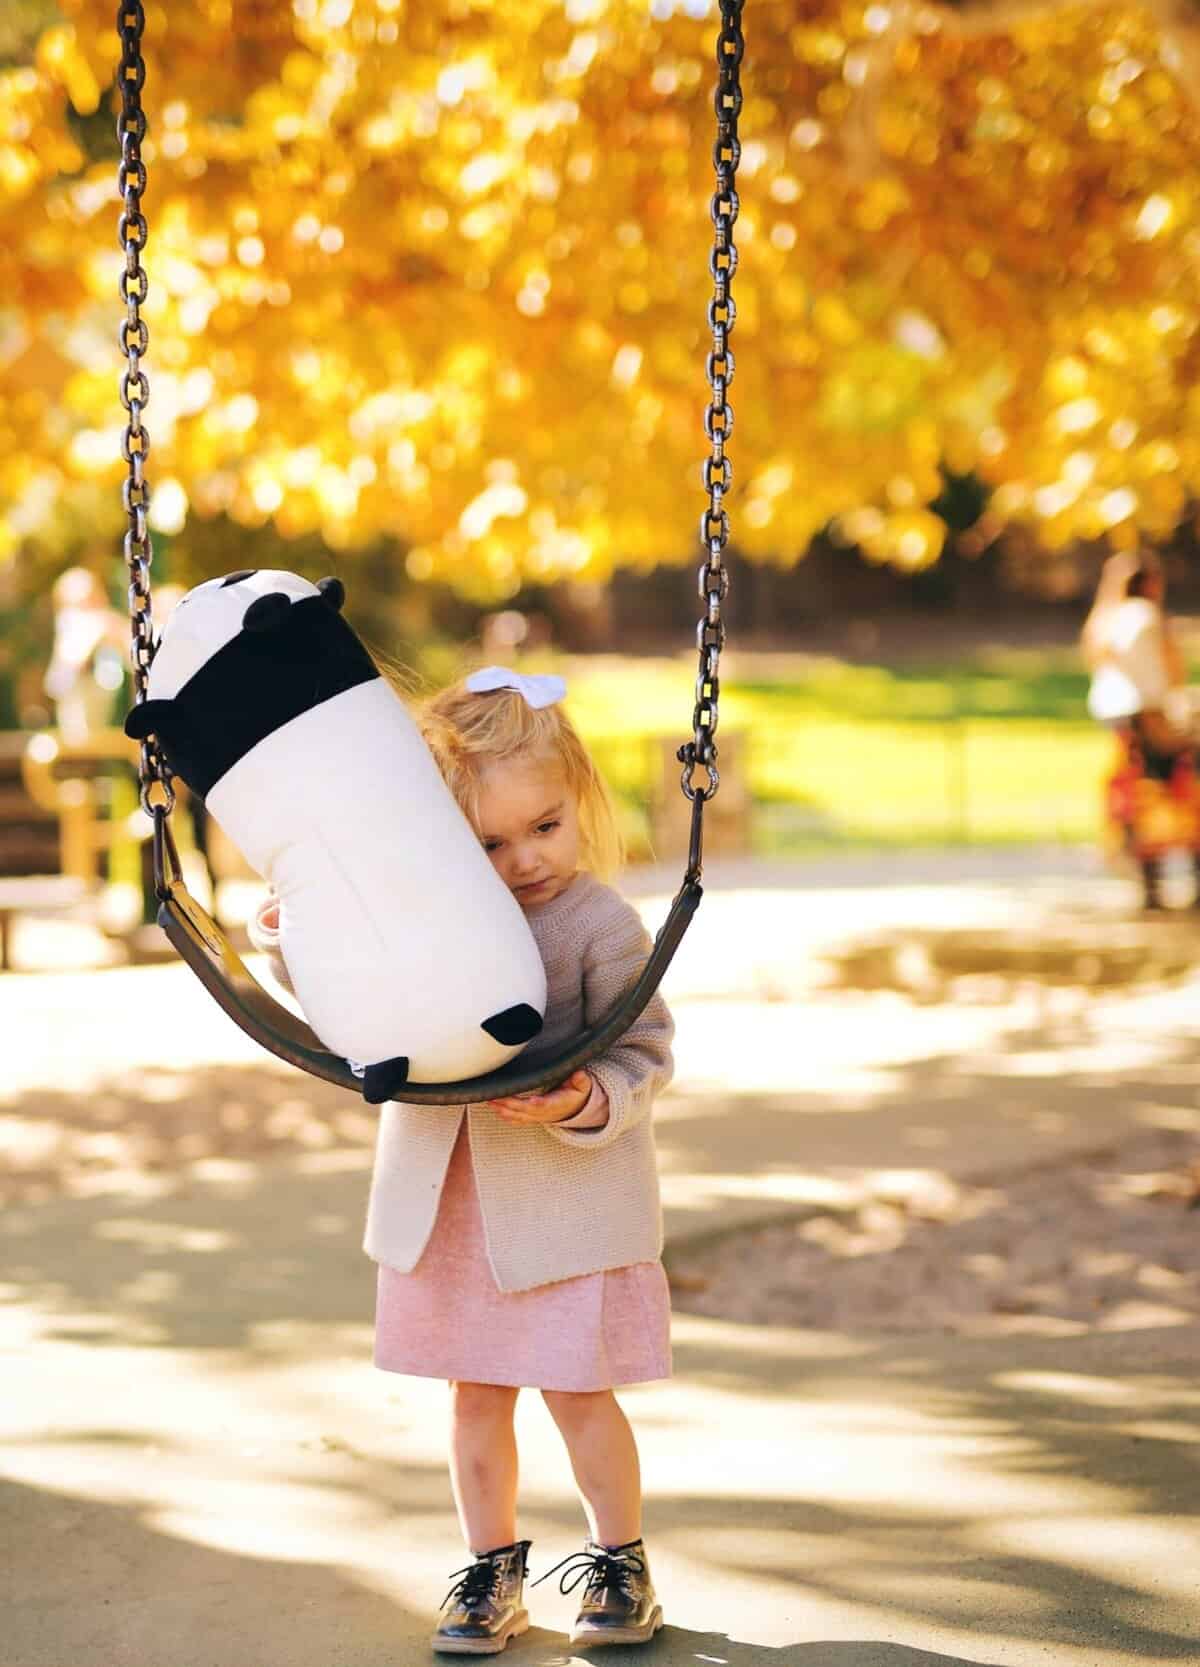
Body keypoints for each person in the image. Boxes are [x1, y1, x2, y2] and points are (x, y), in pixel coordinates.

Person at [249, 665, 674, 1654]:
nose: (525, 859)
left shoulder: (599, 925)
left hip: (561, 1208)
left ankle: (621, 1557)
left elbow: (644, 1051)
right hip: (453, 1207)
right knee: (474, 1395)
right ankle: (491, 1565)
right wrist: (283, 937)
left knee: (577, 1391)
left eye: (546, 825)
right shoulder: (420, 922)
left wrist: (585, 1095)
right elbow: (349, 993)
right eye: (489, 840)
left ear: (581, 807)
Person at [1082, 549, 1197, 906]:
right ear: (1150, 584)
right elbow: (1170, 674)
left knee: (1145, 795)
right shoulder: (1146, 616)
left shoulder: (1105, 621)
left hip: (1125, 726)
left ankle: (1151, 881)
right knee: (1186, 788)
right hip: (1152, 721)